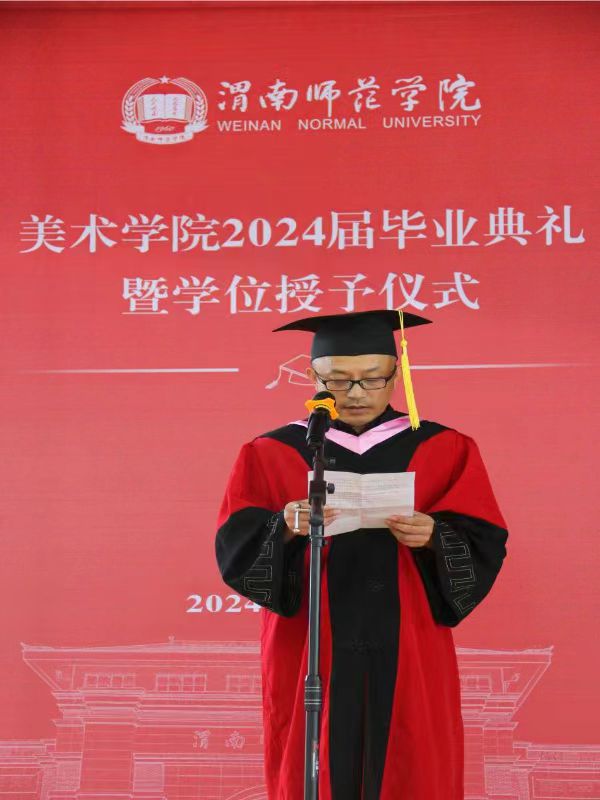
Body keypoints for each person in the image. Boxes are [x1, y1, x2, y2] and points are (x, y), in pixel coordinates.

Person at [215, 309, 509, 800]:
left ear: (396, 374)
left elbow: (484, 538)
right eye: (337, 380)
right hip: (311, 634)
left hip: (408, 633)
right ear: (312, 376)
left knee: (412, 753)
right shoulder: (271, 450)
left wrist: (435, 535)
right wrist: (283, 526)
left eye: (372, 379)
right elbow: (235, 544)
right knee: (313, 751)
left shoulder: (445, 447)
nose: (354, 394)